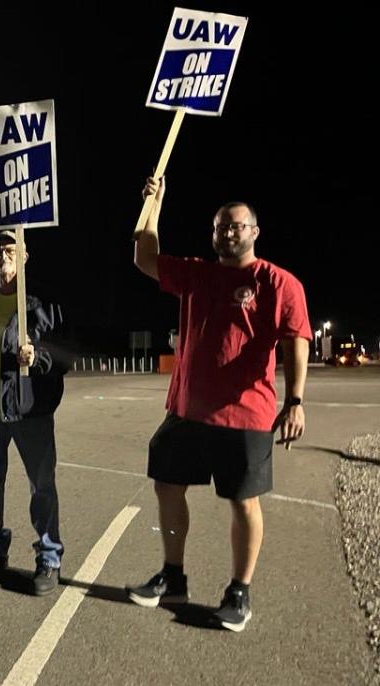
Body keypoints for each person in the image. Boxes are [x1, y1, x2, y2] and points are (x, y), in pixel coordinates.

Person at [127, 177, 311, 632]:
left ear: (254, 231)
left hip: (245, 412)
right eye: (220, 227)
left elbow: (297, 340)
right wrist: (155, 203)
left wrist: (296, 401)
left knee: (242, 501)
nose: (228, 233)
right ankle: (173, 576)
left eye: (236, 226)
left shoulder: (278, 283)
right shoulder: (198, 275)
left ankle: (239, 591)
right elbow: (143, 256)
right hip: (187, 409)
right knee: (167, 486)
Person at [0, 229, 67, 596]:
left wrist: (37, 357)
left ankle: (49, 557)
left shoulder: (41, 302)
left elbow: (63, 352)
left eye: (10, 249)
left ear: (24, 256)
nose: (2, 255)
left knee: (41, 486)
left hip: (30, 412)